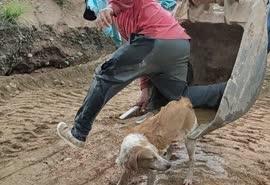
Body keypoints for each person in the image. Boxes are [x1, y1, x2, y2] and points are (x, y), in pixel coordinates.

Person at [57, 0, 226, 148]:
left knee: (105, 74)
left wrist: (111, 8)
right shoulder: (122, 19)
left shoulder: (115, 7)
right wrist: (145, 88)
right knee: (178, 96)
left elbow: (140, 44)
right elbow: (140, 57)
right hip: (177, 42)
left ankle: (79, 132)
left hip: (156, 38)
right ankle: (224, 91)